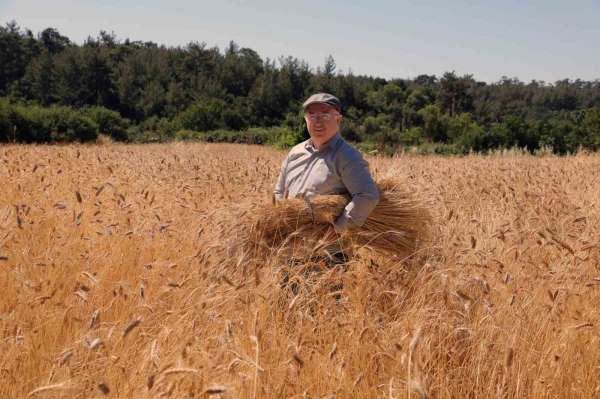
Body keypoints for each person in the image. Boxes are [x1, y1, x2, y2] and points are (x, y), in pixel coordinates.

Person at [274, 92, 380, 245]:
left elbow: (367, 195)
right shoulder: (295, 152)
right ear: (305, 119)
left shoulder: (347, 155)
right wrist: (282, 218)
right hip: (290, 244)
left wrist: (336, 231)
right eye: (312, 115)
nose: (318, 121)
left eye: (325, 115)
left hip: (327, 253)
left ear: (338, 119)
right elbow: (279, 191)